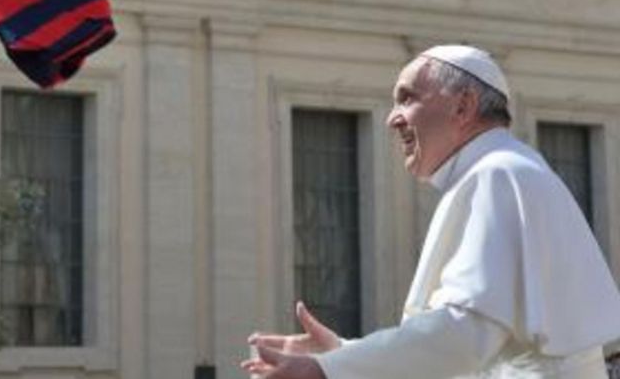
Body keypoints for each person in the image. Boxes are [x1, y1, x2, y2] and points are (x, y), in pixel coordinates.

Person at [243, 45, 620, 379]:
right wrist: (343, 354)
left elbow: (465, 336)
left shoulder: (496, 174)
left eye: (407, 98)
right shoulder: (508, 168)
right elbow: (475, 352)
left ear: (463, 106)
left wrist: (329, 370)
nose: (392, 118)